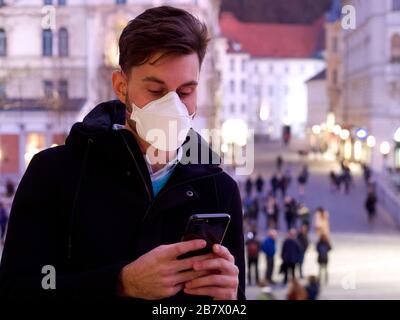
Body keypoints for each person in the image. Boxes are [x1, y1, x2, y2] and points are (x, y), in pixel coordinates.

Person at [0, 6, 245, 301]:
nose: (173, 107)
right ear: (121, 86)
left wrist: (230, 299)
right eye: (156, 91)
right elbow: (18, 288)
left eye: (184, 93)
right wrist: (120, 283)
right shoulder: (55, 174)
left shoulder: (218, 189)